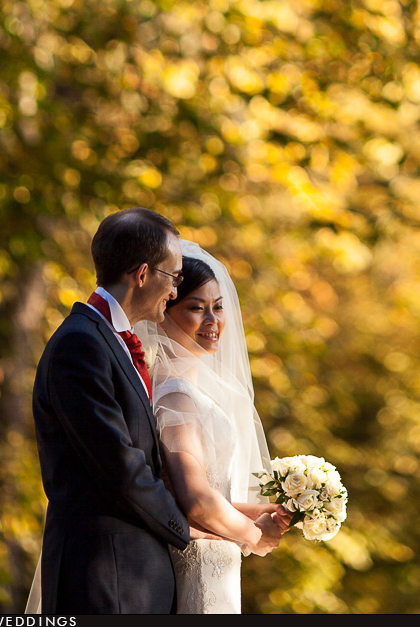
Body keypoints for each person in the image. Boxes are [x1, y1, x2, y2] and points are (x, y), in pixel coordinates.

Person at [30, 208, 198, 613]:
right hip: (105, 580)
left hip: (132, 576)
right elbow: (120, 468)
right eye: (173, 277)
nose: (175, 291)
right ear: (142, 274)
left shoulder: (110, 340)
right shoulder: (80, 345)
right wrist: (189, 529)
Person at [138, 242, 290, 614]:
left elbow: (195, 493)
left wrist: (263, 510)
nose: (213, 320)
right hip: (197, 564)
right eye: (195, 307)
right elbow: (196, 502)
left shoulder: (191, 391)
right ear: (164, 312)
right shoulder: (175, 396)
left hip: (218, 559)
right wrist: (254, 536)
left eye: (218, 307)